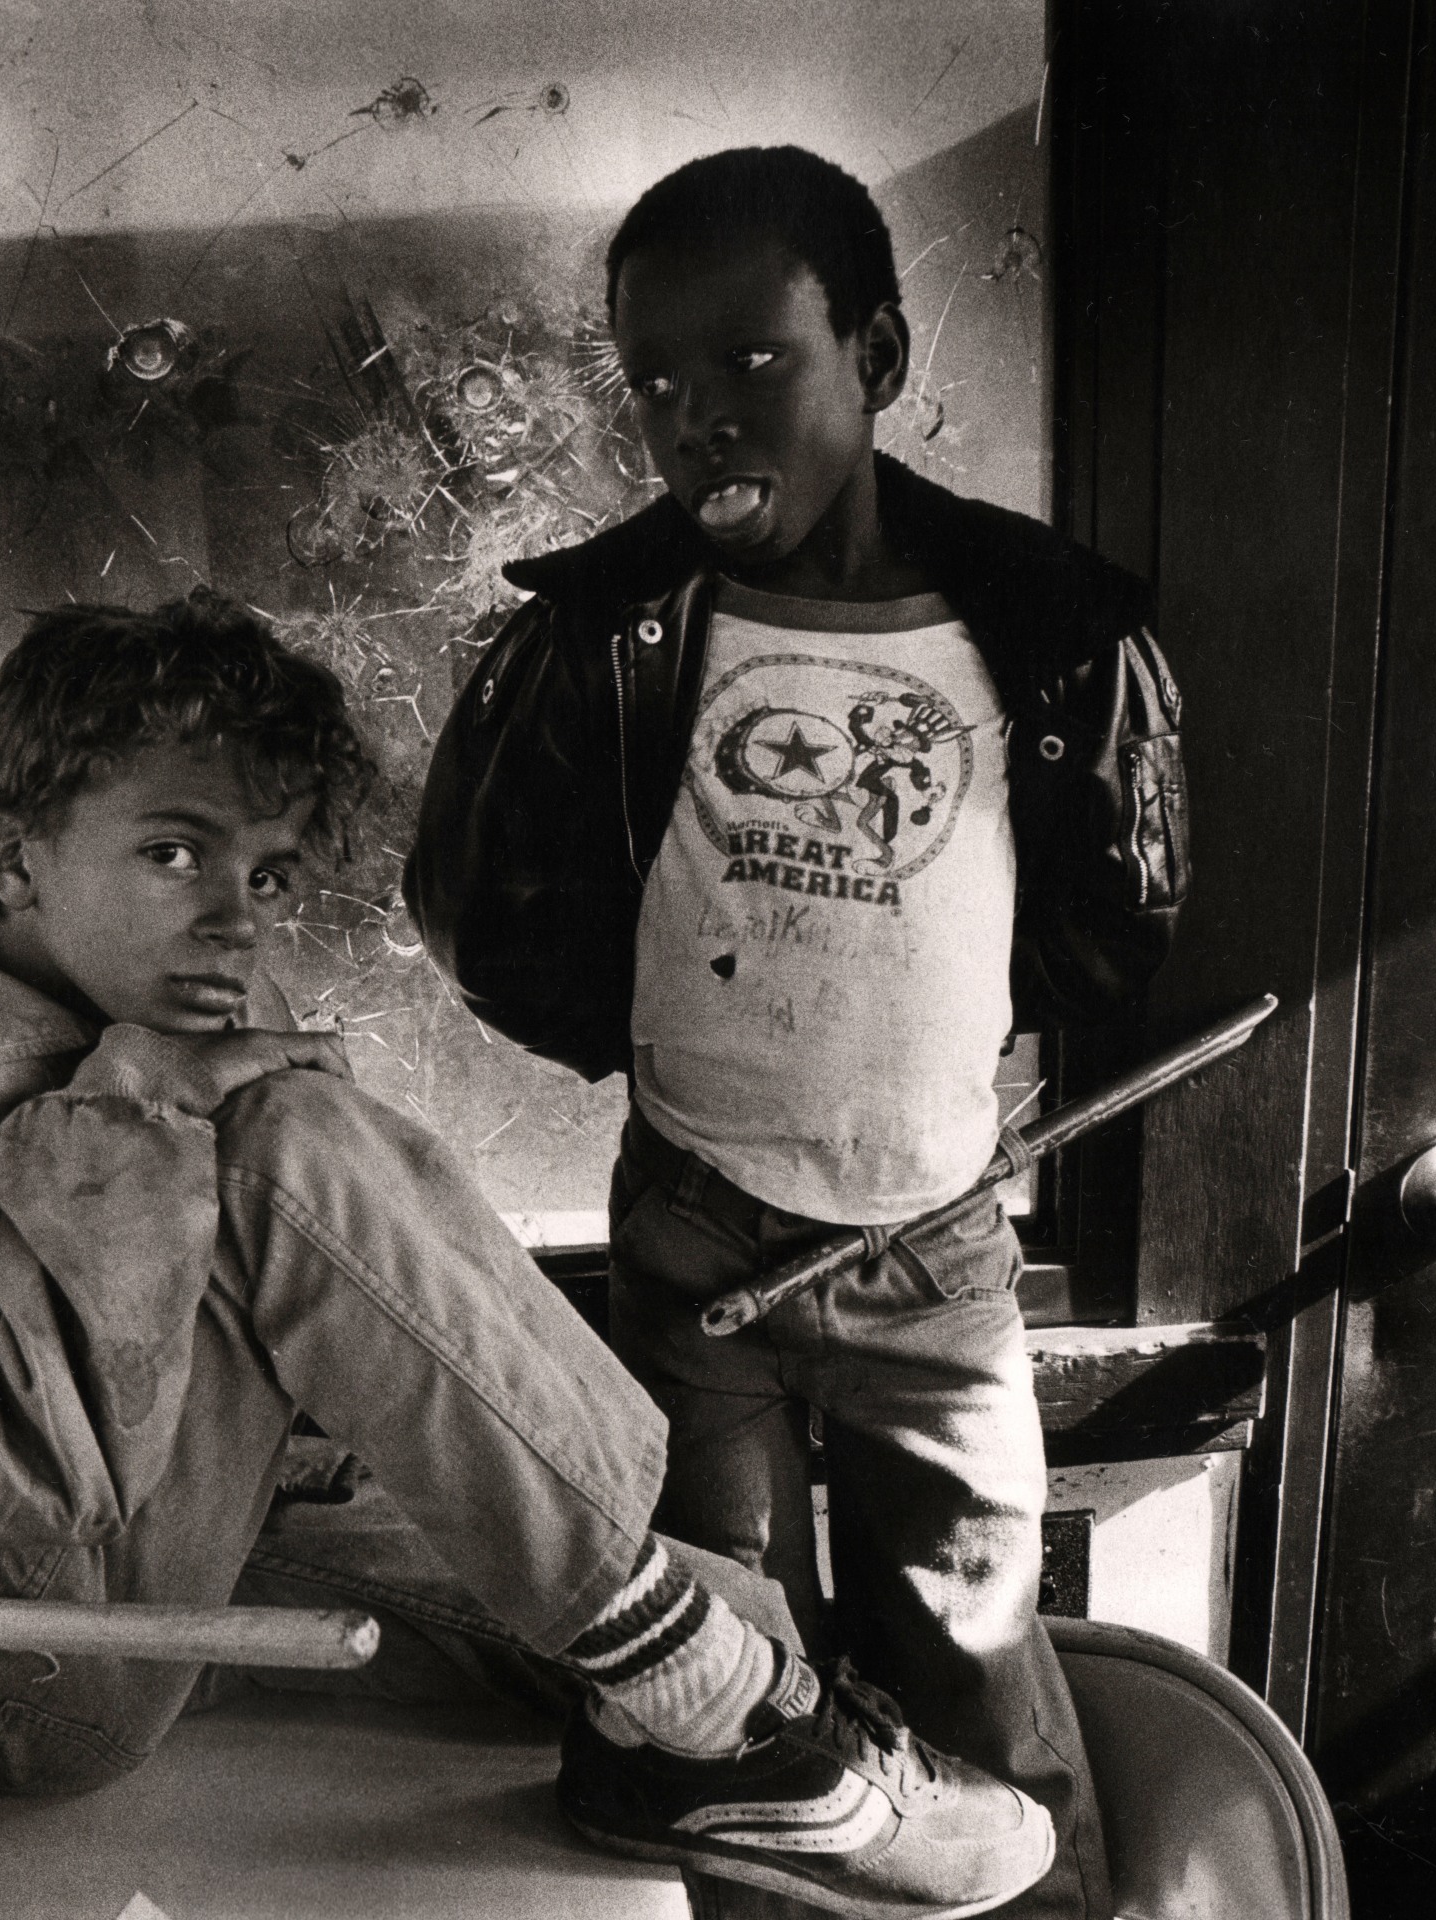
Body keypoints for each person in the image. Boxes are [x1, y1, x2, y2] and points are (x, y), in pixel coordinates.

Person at [0, 590, 1059, 1919]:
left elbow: (339, 1306)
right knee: (281, 1141)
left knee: (710, 1617)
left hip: (212, 1539)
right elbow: (9, 1470)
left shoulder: (173, 994)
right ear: (10, 860)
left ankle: (700, 1728)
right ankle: (721, 1707)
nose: (235, 919)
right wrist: (131, 1106)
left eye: (268, 873)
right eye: (174, 853)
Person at [408, 147, 1191, 1920]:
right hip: (697, 1229)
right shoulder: (619, 631)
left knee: (979, 1641)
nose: (697, 417)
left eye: (754, 362)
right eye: (656, 382)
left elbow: (1097, 925)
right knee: (733, 1687)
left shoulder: (1043, 633)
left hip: (936, 1251)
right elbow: (495, 908)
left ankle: (1045, 1905)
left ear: (882, 356)